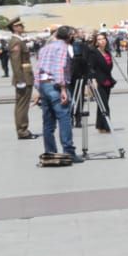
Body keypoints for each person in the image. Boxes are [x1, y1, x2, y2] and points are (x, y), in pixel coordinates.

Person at [33, 26, 78, 160]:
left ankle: (50, 151)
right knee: (64, 118)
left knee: (48, 122)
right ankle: (69, 152)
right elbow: (59, 68)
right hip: (54, 85)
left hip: (43, 84)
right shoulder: (63, 47)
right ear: (69, 36)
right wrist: (63, 88)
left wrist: (39, 88)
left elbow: (37, 69)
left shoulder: (45, 48)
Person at [7, 20, 36, 140]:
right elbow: (15, 62)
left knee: (22, 104)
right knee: (22, 105)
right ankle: (22, 130)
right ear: (14, 27)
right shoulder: (16, 41)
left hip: (25, 75)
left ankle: (23, 129)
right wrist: (20, 80)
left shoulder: (19, 40)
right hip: (23, 77)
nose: (22, 27)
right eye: (20, 25)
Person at [86, 32, 117, 133]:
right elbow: (91, 68)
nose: (102, 41)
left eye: (103, 39)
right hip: (98, 81)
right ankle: (107, 126)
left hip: (107, 81)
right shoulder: (94, 53)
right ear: (96, 42)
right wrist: (93, 79)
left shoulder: (107, 52)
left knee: (102, 104)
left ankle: (100, 126)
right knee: (104, 104)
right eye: (99, 39)